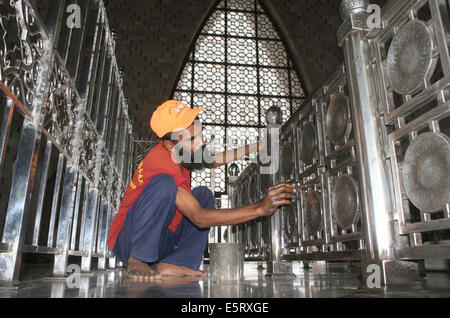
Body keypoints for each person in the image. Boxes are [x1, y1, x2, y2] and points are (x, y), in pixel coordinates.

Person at [107, 100, 295, 281]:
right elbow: (198, 217)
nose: (201, 142)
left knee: (203, 194)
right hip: (129, 242)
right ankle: (138, 260)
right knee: (165, 185)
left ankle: (177, 263)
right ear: (169, 144)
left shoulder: (182, 151)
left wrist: (256, 147)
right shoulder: (161, 165)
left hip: (161, 239)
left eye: (199, 134)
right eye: (192, 139)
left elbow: (211, 160)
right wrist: (260, 209)